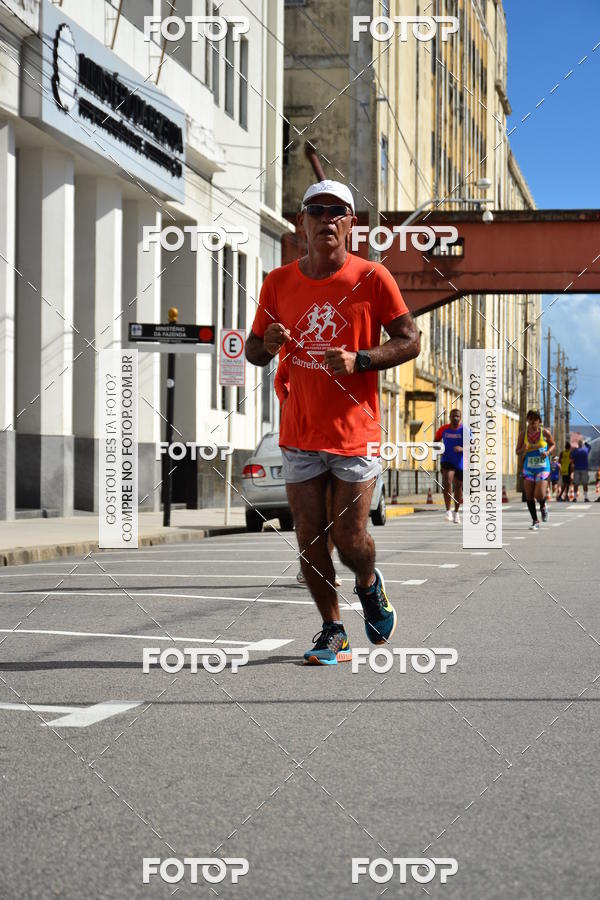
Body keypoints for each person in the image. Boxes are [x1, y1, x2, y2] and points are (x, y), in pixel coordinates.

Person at [245, 179, 420, 665]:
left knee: (349, 540)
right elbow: (254, 352)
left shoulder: (373, 278)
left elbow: (410, 340)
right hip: (300, 432)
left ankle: (368, 581)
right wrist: (270, 342)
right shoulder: (278, 282)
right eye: (316, 211)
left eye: (337, 212)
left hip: (354, 432)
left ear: (351, 224)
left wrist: (361, 360)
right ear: (301, 222)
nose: (327, 219)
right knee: (308, 535)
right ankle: (333, 630)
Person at [274, 353, 341, 587]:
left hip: (337, 441)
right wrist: (288, 403)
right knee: (313, 515)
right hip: (302, 443)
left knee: (335, 514)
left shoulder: (340, 358)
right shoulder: (297, 357)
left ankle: (319, 564)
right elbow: (281, 379)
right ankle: (310, 567)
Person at [515, 410, 556, 530]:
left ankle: (543, 506)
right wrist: (523, 448)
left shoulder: (545, 432)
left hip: (542, 467)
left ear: (539, 421)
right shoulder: (523, 434)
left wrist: (548, 452)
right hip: (528, 468)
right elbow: (517, 451)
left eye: (535, 419)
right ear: (527, 420)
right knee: (529, 495)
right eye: (530, 419)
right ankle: (535, 521)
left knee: (539, 494)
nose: (532, 421)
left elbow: (553, 444)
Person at [434, 408, 464, 523]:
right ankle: (448, 510)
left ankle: (456, 512)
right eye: (453, 416)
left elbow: (473, 446)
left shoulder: (464, 430)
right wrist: (439, 450)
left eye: (457, 416)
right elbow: (435, 441)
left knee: (458, 487)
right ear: (450, 417)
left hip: (461, 462)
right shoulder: (443, 429)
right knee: (447, 481)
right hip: (447, 460)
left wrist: (462, 448)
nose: (455, 418)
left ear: (460, 418)